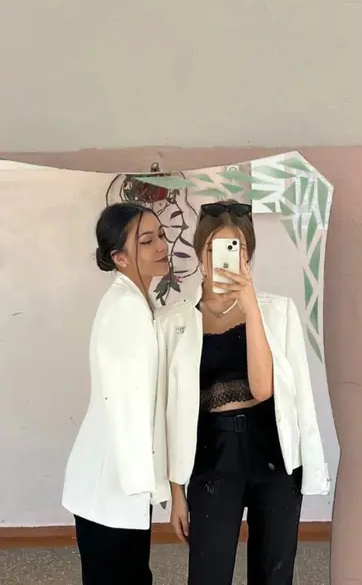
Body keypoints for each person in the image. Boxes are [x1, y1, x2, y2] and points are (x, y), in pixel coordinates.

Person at [156, 200, 330, 585]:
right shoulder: (173, 322)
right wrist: (176, 491)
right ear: (200, 254)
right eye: (213, 248)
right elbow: (168, 411)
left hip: (273, 451)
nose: (223, 259)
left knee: (273, 573)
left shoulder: (278, 312)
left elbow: (263, 389)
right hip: (211, 454)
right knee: (208, 574)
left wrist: (251, 307)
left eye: (237, 249)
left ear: (248, 256)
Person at [62, 202, 170, 585]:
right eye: (147, 241)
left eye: (161, 235)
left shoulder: (137, 301)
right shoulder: (127, 309)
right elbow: (128, 406)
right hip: (113, 482)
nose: (162, 246)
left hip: (119, 481)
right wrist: (154, 485)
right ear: (119, 258)